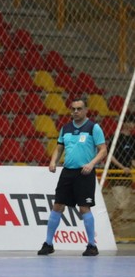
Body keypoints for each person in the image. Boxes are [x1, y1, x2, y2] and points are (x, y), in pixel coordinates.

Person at [38, 98, 107, 257]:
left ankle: (91, 245)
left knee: (84, 208)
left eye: (79, 108)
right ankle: (48, 243)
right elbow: (59, 147)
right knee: (57, 205)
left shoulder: (93, 128)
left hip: (85, 173)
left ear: (86, 110)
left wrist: (91, 164)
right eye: (73, 109)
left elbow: (102, 150)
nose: (76, 111)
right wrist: (53, 161)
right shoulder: (66, 128)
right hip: (67, 172)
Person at [108, 116, 135, 228]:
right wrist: (122, 167)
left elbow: (133, 159)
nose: (133, 125)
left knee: (126, 203)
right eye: (131, 122)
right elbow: (110, 155)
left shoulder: (133, 140)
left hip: (127, 175)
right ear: (124, 123)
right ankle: (112, 225)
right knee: (121, 204)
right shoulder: (116, 137)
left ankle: (114, 227)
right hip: (116, 173)